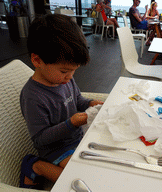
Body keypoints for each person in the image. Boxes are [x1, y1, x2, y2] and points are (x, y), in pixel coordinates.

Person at [19, 14, 104, 189]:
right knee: (79, 179)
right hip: (55, 150)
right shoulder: (33, 96)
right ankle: (38, 166)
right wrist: (71, 123)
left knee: (101, 166)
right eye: (65, 71)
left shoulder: (64, 80)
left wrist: (89, 104)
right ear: (37, 60)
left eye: (74, 71)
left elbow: (78, 100)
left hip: (77, 138)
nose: (70, 77)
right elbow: (40, 140)